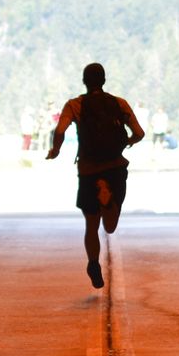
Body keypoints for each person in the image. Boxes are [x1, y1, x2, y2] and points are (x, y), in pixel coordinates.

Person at [47, 62, 145, 289]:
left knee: (91, 225)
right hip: (115, 167)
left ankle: (93, 263)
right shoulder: (119, 103)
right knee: (110, 227)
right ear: (103, 80)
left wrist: (55, 151)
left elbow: (60, 130)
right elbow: (139, 133)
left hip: (89, 169)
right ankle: (107, 197)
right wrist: (127, 143)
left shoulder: (75, 104)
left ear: (84, 81)